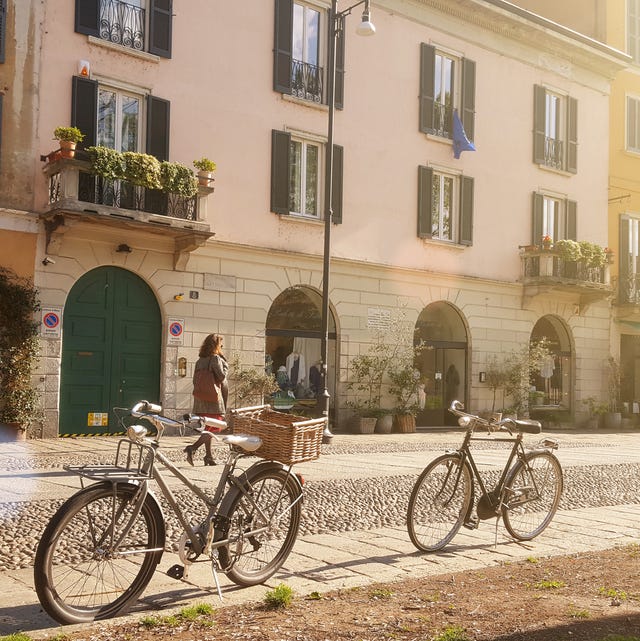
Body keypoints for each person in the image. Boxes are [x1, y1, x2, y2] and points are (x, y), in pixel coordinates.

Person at [185, 333, 229, 466]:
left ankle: (208, 456)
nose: (222, 346)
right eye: (220, 343)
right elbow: (221, 377)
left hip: (201, 399)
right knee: (215, 427)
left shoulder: (200, 360)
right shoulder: (215, 358)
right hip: (213, 400)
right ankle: (193, 448)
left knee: (208, 428)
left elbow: (195, 381)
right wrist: (225, 365)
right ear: (216, 345)